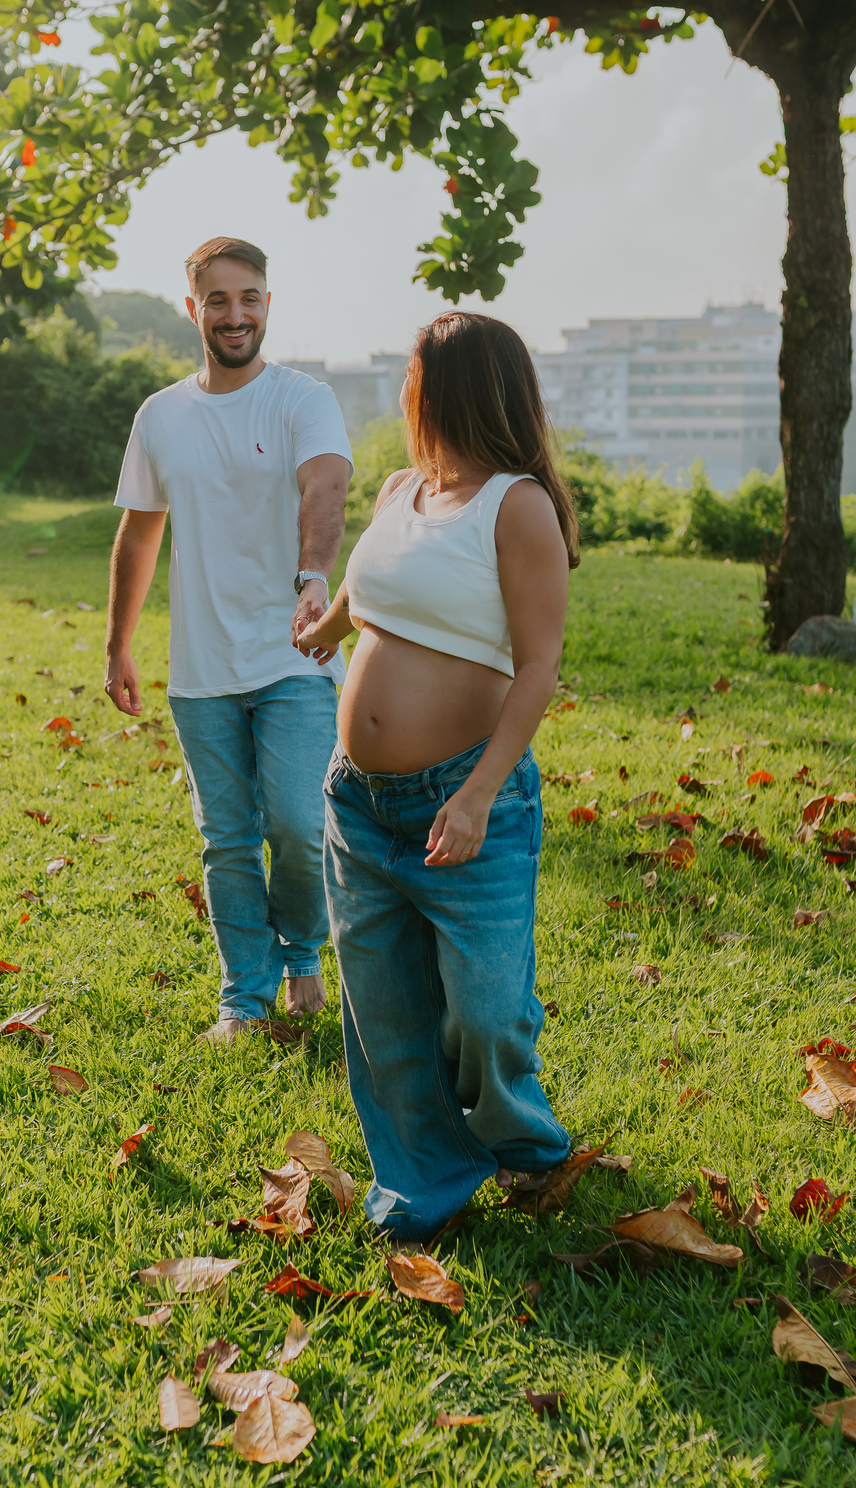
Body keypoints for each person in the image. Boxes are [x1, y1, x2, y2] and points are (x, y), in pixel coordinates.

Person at [294, 310, 578, 1242]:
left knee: (487, 1014)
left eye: (415, 376)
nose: (405, 392)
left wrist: (480, 792)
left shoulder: (518, 505)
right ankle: (425, 1183)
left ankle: (522, 1142)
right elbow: (369, 588)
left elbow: (537, 666)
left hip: (464, 799)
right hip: (360, 802)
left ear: (450, 387)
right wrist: (328, 629)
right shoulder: (399, 490)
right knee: (384, 1014)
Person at [105, 235, 354, 1043]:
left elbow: (326, 484)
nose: (235, 313)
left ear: (268, 305)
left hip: (296, 652)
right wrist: (118, 645)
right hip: (202, 666)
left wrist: (314, 575)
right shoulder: (162, 416)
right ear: (194, 309)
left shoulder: (302, 399)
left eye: (249, 298)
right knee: (227, 840)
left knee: (295, 819)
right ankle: (243, 1001)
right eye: (218, 299)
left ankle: (301, 951)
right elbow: (139, 537)